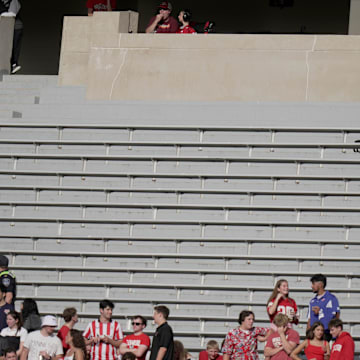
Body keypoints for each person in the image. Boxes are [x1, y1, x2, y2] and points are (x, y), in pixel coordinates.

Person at [307, 274, 340, 341]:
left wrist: (321, 311)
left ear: (320, 284)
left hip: (325, 333)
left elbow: (336, 315)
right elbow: (309, 319)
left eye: (313, 284)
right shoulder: (312, 301)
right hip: (313, 334)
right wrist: (308, 333)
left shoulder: (331, 298)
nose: (311, 286)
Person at [0, 0, 23, 74]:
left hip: (14, 28)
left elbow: (11, 15)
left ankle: (13, 64)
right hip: (4, 29)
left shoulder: (14, 1)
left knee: (12, 46)